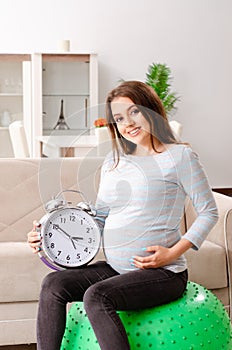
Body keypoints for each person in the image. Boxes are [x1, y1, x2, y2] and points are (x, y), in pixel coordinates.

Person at [27, 81, 218, 350]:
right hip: (117, 268)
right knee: (53, 284)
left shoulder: (180, 156)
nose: (127, 123)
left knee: (97, 296)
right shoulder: (114, 161)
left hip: (163, 273)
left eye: (134, 112)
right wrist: (51, 236)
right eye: (118, 118)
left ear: (151, 109)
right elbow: (100, 218)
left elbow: (209, 212)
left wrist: (172, 253)